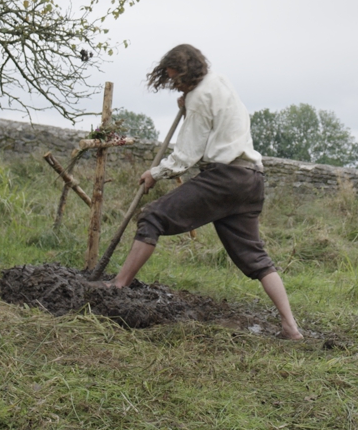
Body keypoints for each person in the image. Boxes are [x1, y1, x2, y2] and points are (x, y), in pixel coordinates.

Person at [108, 44, 303, 340]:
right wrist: (187, 108)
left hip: (225, 178)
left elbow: (187, 154)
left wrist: (155, 173)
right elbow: (215, 127)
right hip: (251, 179)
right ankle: (291, 327)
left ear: (188, 74)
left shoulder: (199, 97)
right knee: (256, 258)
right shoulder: (219, 82)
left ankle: (118, 285)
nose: (175, 84)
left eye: (176, 79)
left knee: (152, 217)